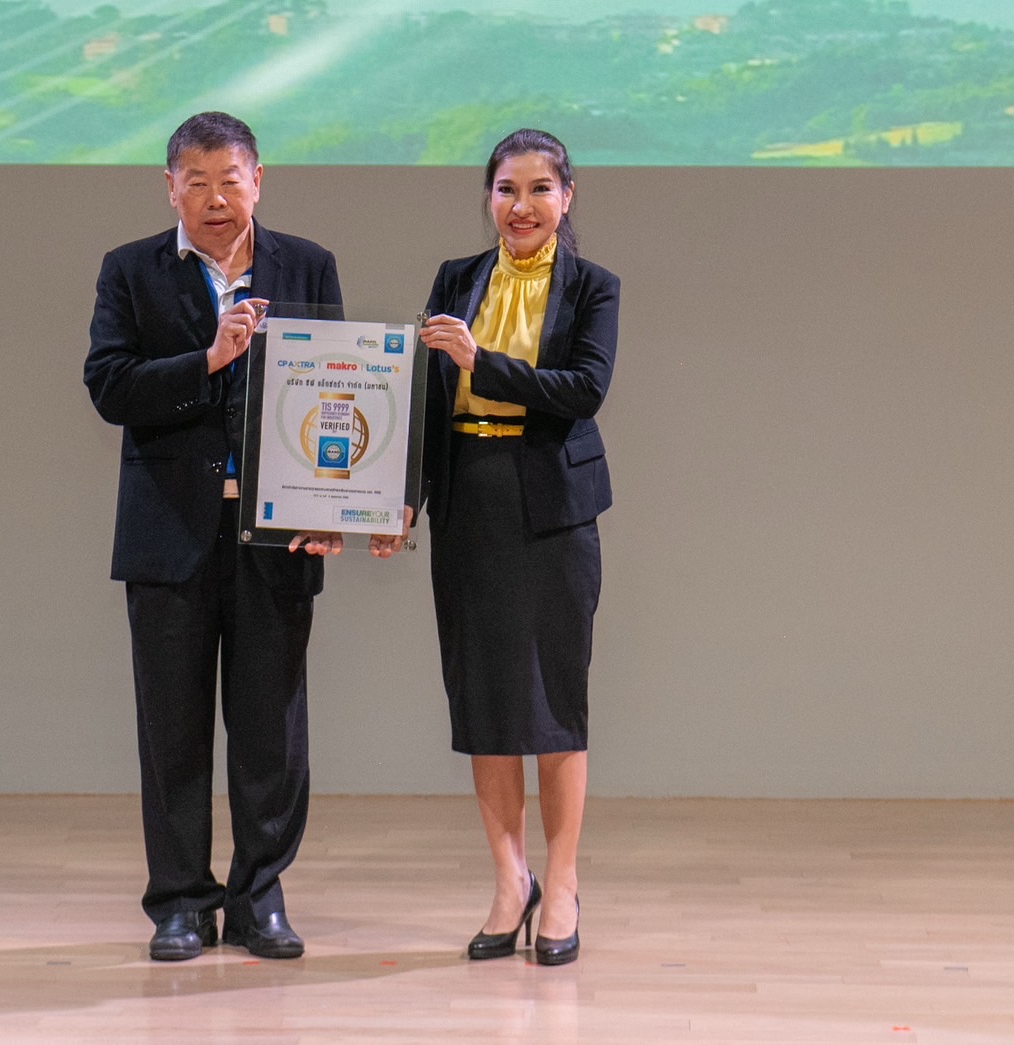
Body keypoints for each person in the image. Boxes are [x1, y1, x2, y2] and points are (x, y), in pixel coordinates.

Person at [83, 112, 344, 962]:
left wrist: (336, 505)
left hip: (275, 535)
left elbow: (338, 392)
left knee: (271, 729)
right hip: (168, 532)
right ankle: (180, 904)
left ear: (257, 181)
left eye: (229, 179)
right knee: (172, 728)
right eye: (195, 182)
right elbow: (109, 386)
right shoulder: (130, 269)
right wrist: (208, 360)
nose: (215, 197)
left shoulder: (307, 264)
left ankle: (259, 897)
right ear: (170, 189)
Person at [412, 128, 619, 967]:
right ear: (488, 197)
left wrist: (481, 360)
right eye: (505, 189)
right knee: (486, 705)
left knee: (555, 703)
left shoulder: (593, 287)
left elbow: (584, 389)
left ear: (566, 197)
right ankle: (510, 881)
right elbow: (429, 400)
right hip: (470, 502)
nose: (521, 206)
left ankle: (561, 883)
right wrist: (399, 503)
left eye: (538, 189)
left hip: (551, 510)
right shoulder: (454, 277)